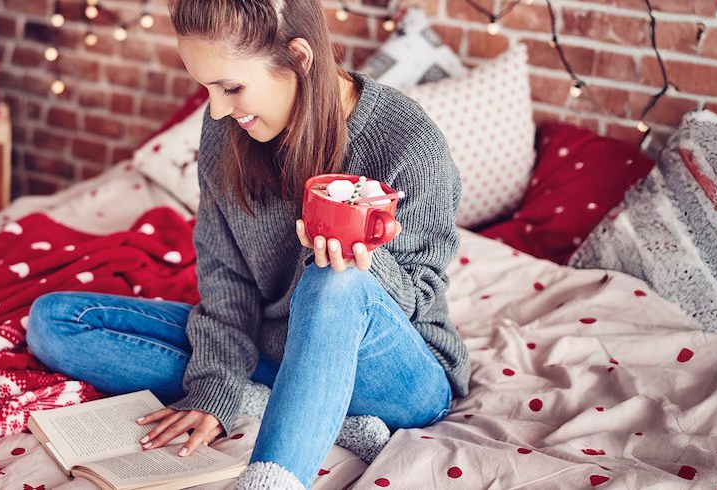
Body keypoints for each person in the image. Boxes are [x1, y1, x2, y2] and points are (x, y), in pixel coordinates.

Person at [26, 0, 469, 487]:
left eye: (231, 87)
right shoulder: (225, 129)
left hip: (401, 374)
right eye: (207, 88)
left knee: (333, 279)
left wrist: (360, 261)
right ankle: (288, 402)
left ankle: (271, 477)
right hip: (272, 345)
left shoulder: (407, 141)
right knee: (55, 321)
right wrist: (214, 389)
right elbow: (224, 278)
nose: (217, 108)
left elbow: (417, 295)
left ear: (300, 58)